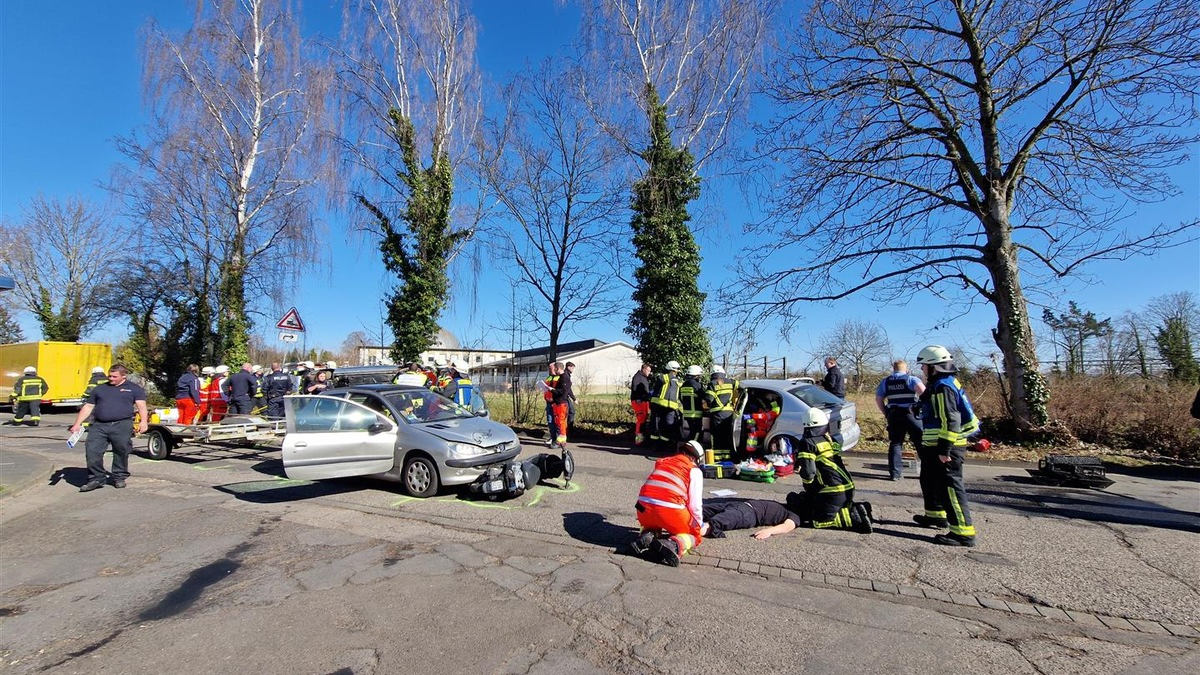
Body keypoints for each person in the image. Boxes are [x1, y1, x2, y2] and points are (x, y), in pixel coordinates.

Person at [913, 345, 980, 547]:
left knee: (951, 488)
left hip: (946, 447)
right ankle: (935, 515)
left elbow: (951, 419)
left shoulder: (943, 386)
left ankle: (963, 533)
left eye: (924, 366)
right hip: (934, 445)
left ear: (934, 367)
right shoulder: (940, 384)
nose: (922, 370)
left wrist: (944, 450)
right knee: (930, 480)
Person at [70, 364, 148, 492]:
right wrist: (77, 424)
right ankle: (96, 478)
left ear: (124, 376)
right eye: (109, 376)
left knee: (121, 451)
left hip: (122, 424)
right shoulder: (100, 389)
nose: (111, 378)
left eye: (114, 376)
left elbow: (142, 406)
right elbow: (88, 407)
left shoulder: (134, 389)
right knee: (92, 451)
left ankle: (119, 476)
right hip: (99, 425)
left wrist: (143, 422)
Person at [793, 407, 872, 533]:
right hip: (848, 488)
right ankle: (858, 509)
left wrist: (809, 487)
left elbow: (809, 473)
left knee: (817, 521)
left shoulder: (808, 442)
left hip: (831, 491)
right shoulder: (830, 439)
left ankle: (852, 518)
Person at [630, 440, 705, 567]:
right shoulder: (694, 470)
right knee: (694, 536)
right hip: (669, 511)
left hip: (642, 508)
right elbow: (695, 506)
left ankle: (647, 534)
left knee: (653, 522)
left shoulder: (662, 462)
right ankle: (674, 544)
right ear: (697, 459)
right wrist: (698, 525)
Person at [875, 359, 926, 481]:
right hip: (911, 414)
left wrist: (886, 413)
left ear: (894, 369)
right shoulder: (911, 379)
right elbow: (925, 395)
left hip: (894, 415)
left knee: (896, 443)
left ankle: (895, 474)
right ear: (906, 369)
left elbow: (878, 399)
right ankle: (927, 470)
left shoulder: (886, 381)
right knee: (920, 441)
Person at [700, 498, 804, 540]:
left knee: (715, 523)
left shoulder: (795, 515)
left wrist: (769, 531)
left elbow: (787, 527)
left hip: (748, 514)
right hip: (740, 505)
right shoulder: (785, 507)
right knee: (700, 510)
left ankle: (689, 534)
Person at [648, 361, 685, 452]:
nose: (677, 372)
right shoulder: (665, 377)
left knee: (665, 427)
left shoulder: (676, 381)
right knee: (659, 426)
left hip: (668, 408)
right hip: (660, 406)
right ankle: (657, 445)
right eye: (676, 370)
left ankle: (661, 446)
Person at [704, 366, 738, 461]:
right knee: (726, 435)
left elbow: (709, 399)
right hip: (729, 413)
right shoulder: (731, 382)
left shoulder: (713, 383)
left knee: (717, 436)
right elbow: (740, 387)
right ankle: (727, 458)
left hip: (717, 414)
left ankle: (717, 458)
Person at [679, 365, 706, 442]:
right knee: (697, 432)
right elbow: (704, 396)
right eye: (699, 376)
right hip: (696, 413)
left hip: (687, 413)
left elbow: (680, 398)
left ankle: (689, 447)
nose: (699, 378)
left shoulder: (684, 384)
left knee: (692, 431)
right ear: (695, 375)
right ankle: (693, 448)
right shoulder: (696, 384)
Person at [550, 360, 573, 448]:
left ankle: (561, 441)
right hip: (558, 402)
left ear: (558, 368)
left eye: (555, 368)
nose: (554, 370)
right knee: (558, 421)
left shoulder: (564, 377)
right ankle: (561, 440)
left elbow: (564, 391)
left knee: (561, 422)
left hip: (561, 403)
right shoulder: (561, 377)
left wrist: (552, 390)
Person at [629, 363, 653, 446]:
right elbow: (636, 389)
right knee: (641, 420)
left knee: (643, 420)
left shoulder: (642, 377)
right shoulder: (638, 377)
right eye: (649, 371)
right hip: (639, 401)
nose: (649, 373)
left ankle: (641, 439)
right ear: (644, 369)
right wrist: (639, 399)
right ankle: (639, 440)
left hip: (643, 401)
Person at [541, 363, 560, 446]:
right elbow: (545, 389)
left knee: (557, 421)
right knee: (550, 421)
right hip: (548, 402)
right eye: (549, 368)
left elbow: (560, 390)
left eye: (550, 368)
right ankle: (552, 437)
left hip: (556, 402)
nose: (549, 369)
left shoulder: (559, 378)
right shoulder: (548, 377)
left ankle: (557, 438)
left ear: (555, 368)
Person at [564, 361, 578, 430]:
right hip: (565, 396)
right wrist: (574, 399)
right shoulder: (566, 375)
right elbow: (568, 389)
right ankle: (569, 429)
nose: (573, 370)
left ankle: (568, 428)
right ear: (568, 367)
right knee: (571, 411)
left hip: (566, 396)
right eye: (572, 368)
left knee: (570, 411)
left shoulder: (567, 374)